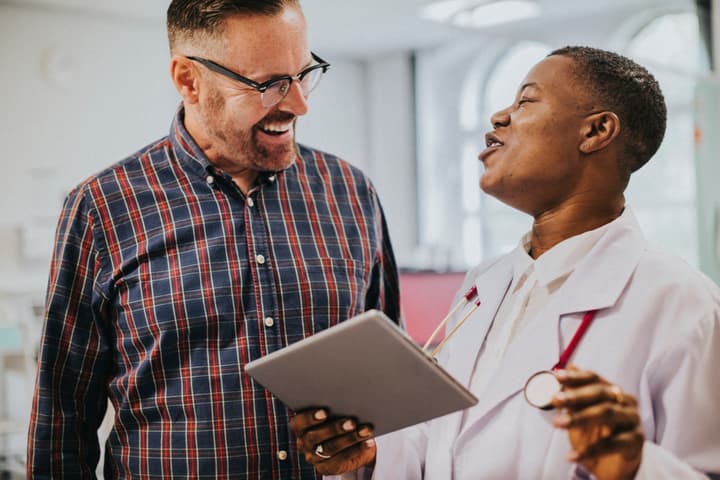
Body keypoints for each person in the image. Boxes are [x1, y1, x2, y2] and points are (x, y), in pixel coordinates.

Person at [291, 46, 720, 479]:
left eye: (525, 101)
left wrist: (634, 465)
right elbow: (448, 441)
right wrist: (370, 456)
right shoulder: (485, 284)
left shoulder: (681, 303)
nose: (497, 117)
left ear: (596, 131)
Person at [27, 1, 400, 478]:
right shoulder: (103, 206)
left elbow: (388, 378)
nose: (299, 104)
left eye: (304, 73)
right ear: (188, 80)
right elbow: (61, 418)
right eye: (268, 85)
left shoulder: (350, 191)